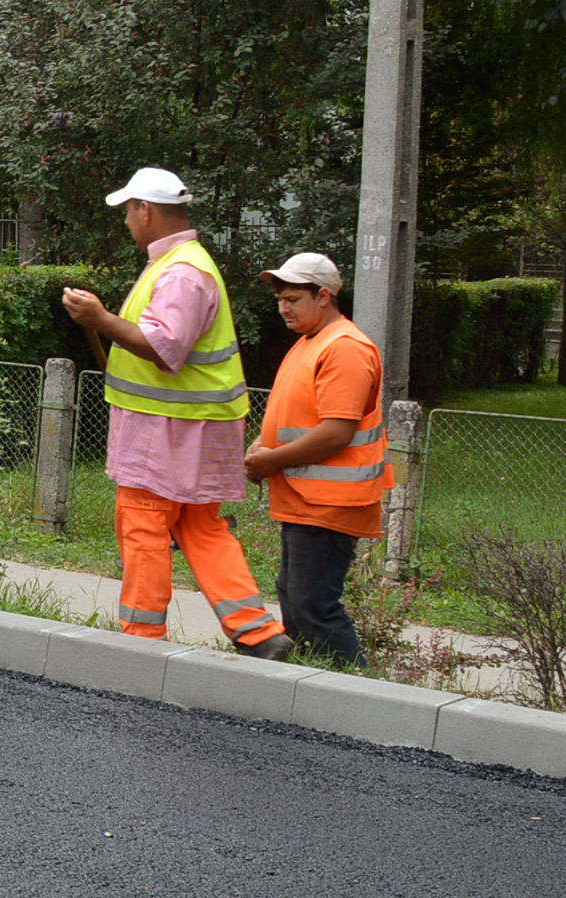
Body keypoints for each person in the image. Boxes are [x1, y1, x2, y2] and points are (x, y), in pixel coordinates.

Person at [60, 168, 294, 659]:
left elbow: (165, 346)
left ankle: (141, 642)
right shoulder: (182, 263)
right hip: (193, 425)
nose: (126, 220)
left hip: (168, 429)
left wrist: (100, 320)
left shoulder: (182, 271)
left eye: (128, 210)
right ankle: (257, 632)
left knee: (144, 523)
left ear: (145, 209)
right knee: (200, 526)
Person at [242, 252, 392, 667]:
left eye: (293, 298)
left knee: (313, 607)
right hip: (308, 498)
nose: (283, 307)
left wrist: (271, 461)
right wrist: (262, 445)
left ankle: (351, 694)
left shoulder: (345, 348)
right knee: (296, 597)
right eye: (280, 299)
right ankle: (311, 689)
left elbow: (335, 432)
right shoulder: (312, 342)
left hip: (330, 502)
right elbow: (297, 416)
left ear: (323, 296)